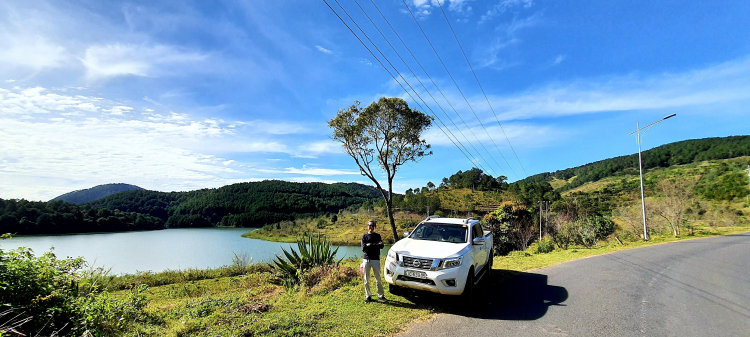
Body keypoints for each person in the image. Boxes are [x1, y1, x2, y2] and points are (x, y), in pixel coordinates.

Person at [361, 220, 385, 303]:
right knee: (366, 280)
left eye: (372, 225)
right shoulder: (364, 236)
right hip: (366, 260)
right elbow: (363, 248)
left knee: (378, 279)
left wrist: (370, 245)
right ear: (367, 226)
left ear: (374, 227)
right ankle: (368, 296)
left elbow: (382, 246)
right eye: (369, 225)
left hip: (376, 260)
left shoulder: (378, 236)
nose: (370, 227)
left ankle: (381, 295)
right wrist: (376, 245)